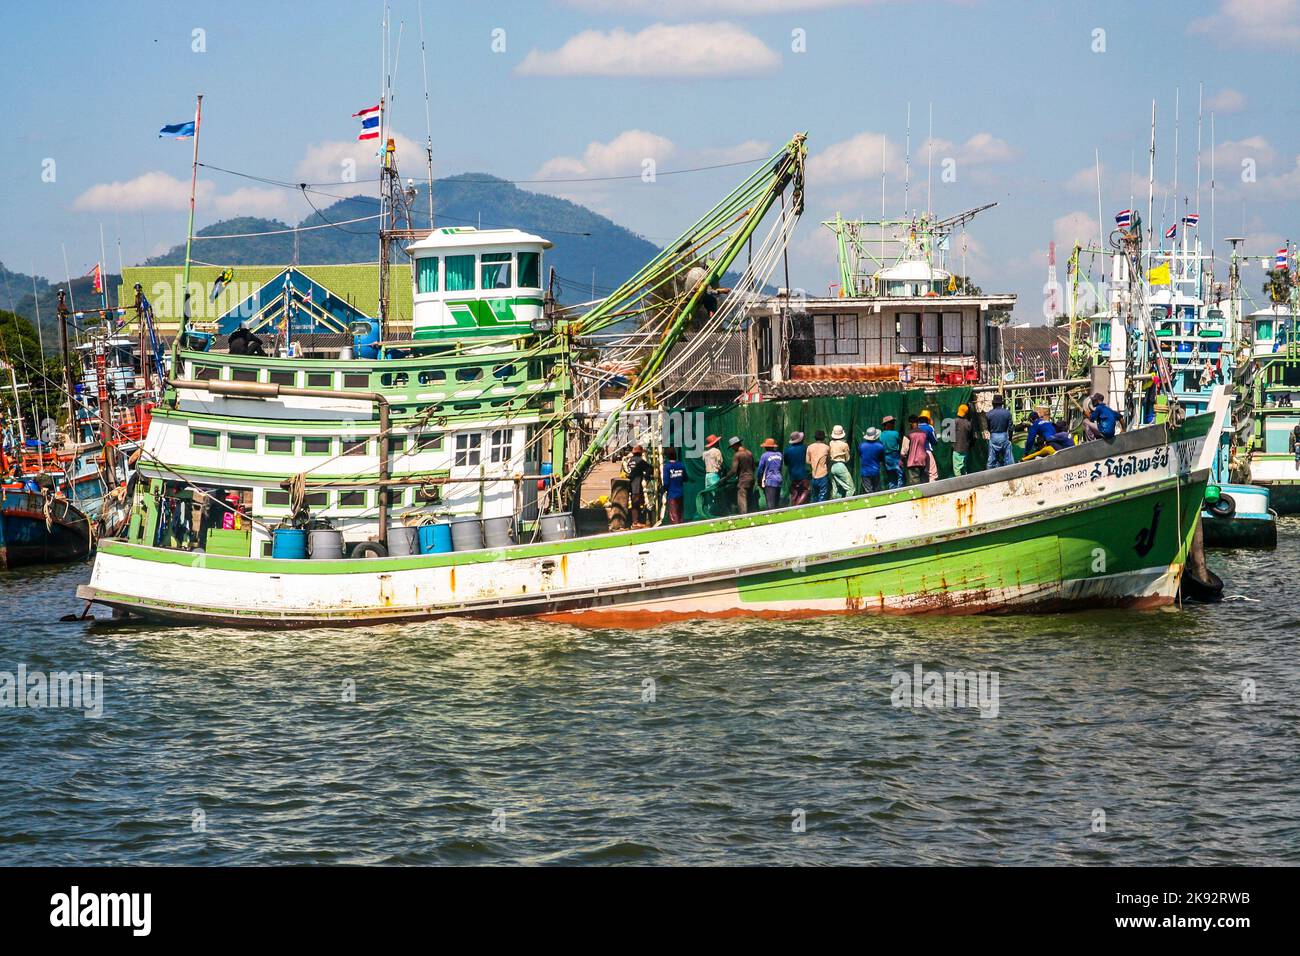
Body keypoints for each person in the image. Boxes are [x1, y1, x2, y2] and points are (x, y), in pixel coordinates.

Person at [625, 445, 654, 528]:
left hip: (630, 484)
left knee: (635, 503)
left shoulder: (630, 460)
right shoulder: (640, 461)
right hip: (636, 485)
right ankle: (635, 522)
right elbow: (650, 468)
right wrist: (648, 476)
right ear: (640, 453)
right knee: (635, 503)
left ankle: (635, 521)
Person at [727, 436, 755, 514]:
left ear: (735, 445)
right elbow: (753, 467)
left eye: (732, 447)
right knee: (749, 498)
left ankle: (743, 516)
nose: (732, 448)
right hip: (751, 478)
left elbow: (733, 471)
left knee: (742, 498)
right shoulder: (749, 453)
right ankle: (751, 514)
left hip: (743, 480)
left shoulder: (737, 455)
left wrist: (725, 478)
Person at [986, 394, 1013, 468]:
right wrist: (1010, 438)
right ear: (1002, 404)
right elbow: (1010, 428)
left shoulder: (989, 414)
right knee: (1008, 458)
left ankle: (990, 474)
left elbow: (988, 428)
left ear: (993, 403)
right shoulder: (1007, 413)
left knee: (992, 458)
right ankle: (1011, 472)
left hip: (994, 436)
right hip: (1004, 436)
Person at [784, 431, 811, 505]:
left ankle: (793, 507)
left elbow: (786, 463)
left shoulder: (787, 450)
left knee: (795, 493)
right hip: (803, 474)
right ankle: (798, 505)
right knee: (806, 490)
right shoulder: (804, 448)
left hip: (793, 475)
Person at [757, 438, 784, 510]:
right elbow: (780, 467)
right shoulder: (779, 454)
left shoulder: (764, 456)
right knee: (776, 503)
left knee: (770, 504)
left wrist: (759, 481)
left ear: (766, 447)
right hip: (779, 479)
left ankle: (772, 519)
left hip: (770, 481)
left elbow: (760, 470)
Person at [662, 448, 687, 524]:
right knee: (680, 514)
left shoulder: (667, 467)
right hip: (680, 493)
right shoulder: (681, 465)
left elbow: (666, 482)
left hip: (672, 494)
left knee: (674, 516)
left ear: (667, 456)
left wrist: (663, 489)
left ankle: (677, 531)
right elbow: (685, 478)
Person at [828, 425, 854, 498]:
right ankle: (848, 504)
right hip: (840, 466)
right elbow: (847, 458)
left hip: (832, 466)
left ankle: (835, 505)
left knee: (836, 489)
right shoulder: (844, 445)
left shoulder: (831, 443)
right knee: (851, 488)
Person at [879, 416, 904, 489]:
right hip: (895, 456)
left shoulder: (881, 435)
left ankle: (892, 491)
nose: (894, 424)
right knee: (900, 474)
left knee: (891, 476)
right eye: (892, 423)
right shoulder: (895, 433)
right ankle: (900, 490)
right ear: (888, 424)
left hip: (886, 457)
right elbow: (901, 443)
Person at [858, 427, 886, 493]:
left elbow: (860, 455)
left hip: (864, 472)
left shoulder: (861, 446)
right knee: (877, 491)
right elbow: (882, 458)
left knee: (869, 492)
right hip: (875, 471)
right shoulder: (880, 446)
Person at [904, 416, 931, 484]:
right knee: (923, 480)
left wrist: (902, 459)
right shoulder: (924, 433)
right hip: (922, 460)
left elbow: (904, 450)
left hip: (913, 461)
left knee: (915, 482)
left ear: (910, 423)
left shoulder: (908, 434)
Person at [806, 430, 831, 502]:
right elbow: (828, 460)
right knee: (822, 496)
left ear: (815, 438)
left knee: (814, 496)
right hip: (823, 475)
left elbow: (807, 461)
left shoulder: (810, 447)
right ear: (823, 438)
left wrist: (814, 462)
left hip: (814, 475)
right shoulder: (826, 447)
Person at [951, 403, 973, 476]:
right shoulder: (968, 423)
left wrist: (953, 445)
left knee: (957, 469)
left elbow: (950, 435)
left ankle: (959, 484)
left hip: (957, 448)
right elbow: (970, 436)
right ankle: (965, 482)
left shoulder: (955, 421)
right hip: (965, 448)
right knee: (963, 466)